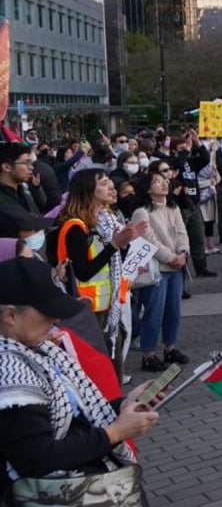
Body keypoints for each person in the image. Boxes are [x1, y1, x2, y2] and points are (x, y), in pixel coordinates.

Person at [0, 258, 164, 503]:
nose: (56, 320)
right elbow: (38, 457)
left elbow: (75, 418)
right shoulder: (9, 370)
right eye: (47, 312)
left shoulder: (36, 349)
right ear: (11, 316)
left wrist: (123, 404)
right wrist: (114, 432)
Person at [53, 170, 144, 376]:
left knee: (113, 367)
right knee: (98, 372)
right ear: (88, 190)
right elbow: (83, 272)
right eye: (103, 183)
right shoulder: (75, 226)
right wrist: (114, 245)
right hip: (87, 311)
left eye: (109, 181)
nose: (111, 186)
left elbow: (112, 261)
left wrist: (124, 244)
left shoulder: (105, 221)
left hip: (108, 306)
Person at [129, 171, 190, 372]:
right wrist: (170, 258)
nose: (163, 184)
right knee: (154, 312)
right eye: (157, 182)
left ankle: (170, 347)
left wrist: (183, 252)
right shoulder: (142, 212)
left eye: (165, 181)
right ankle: (148, 354)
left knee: (174, 311)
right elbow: (149, 240)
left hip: (176, 267)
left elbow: (182, 232)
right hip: (157, 270)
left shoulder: (173, 207)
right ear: (147, 188)